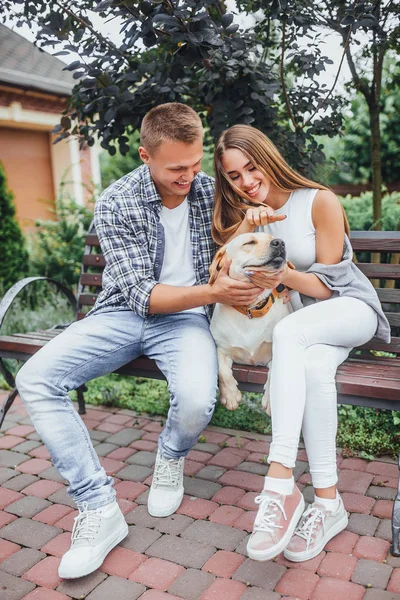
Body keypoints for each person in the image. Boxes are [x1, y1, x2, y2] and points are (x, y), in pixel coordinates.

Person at [15, 104, 265, 579]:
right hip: (124, 313)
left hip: (188, 320)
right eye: (177, 168)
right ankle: (97, 507)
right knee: (36, 378)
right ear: (145, 155)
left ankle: (170, 458)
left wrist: (254, 219)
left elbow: (257, 215)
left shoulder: (210, 188)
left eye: (195, 164)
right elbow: (140, 295)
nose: (190, 176)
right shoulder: (117, 199)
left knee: (195, 399)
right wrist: (213, 291)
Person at [212, 124, 390, 563]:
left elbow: (329, 286)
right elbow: (225, 274)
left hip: (348, 310)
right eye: (234, 176)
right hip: (306, 326)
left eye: (252, 167)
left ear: (268, 158)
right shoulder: (247, 219)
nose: (247, 181)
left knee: (289, 332)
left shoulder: (318, 201)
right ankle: (329, 504)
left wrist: (282, 273)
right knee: (311, 368)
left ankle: (279, 485)